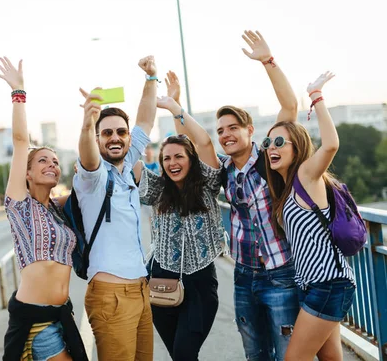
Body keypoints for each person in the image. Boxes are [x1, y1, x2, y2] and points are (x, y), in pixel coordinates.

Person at [0, 57, 87, 361]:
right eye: (43, 160)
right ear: (27, 173)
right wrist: (18, 93)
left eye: (56, 161)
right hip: (35, 321)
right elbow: (21, 142)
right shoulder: (20, 206)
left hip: (62, 316)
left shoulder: (58, 210)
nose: (52, 164)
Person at [216, 30, 300, 360]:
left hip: (279, 273)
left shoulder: (269, 156)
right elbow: (200, 145)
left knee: (286, 354)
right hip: (242, 275)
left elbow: (290, 106)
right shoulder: (224, 168)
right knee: (255, 355)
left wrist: (268, 61)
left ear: (250, 130)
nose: (226, 134)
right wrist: (177, 109)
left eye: (233, 127)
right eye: (221, 129)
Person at [264, 72, 355, 361]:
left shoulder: (305, 176)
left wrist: (316, 96)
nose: (271, 148)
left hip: (328, 285)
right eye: (267, 144)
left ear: (297, 147)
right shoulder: (287, 188)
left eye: (279, 142)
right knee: (330, 359)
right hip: (314, 285)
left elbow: (330, 145)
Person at [133, 71, 224, 360]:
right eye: (167, 158)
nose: (172, 162)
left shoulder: (207, 184)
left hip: (199, 283)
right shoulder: (157, 189)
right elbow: (130, 158)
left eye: (179, 156)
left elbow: (206, 144)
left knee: (185, 353)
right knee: (179, 355)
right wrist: (148, 85)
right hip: (161, 280)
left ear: (191, 160)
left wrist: (176, 108)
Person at [74, 56, 158, 360]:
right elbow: (86, 153)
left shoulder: (126, 166)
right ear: (97, 138)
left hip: (140, 291)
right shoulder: (93, 178)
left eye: (120, 132)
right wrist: (87, 122)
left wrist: (151, 79)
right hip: (111, 296)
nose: (115, 138)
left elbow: (145, 120)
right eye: (106, 133)